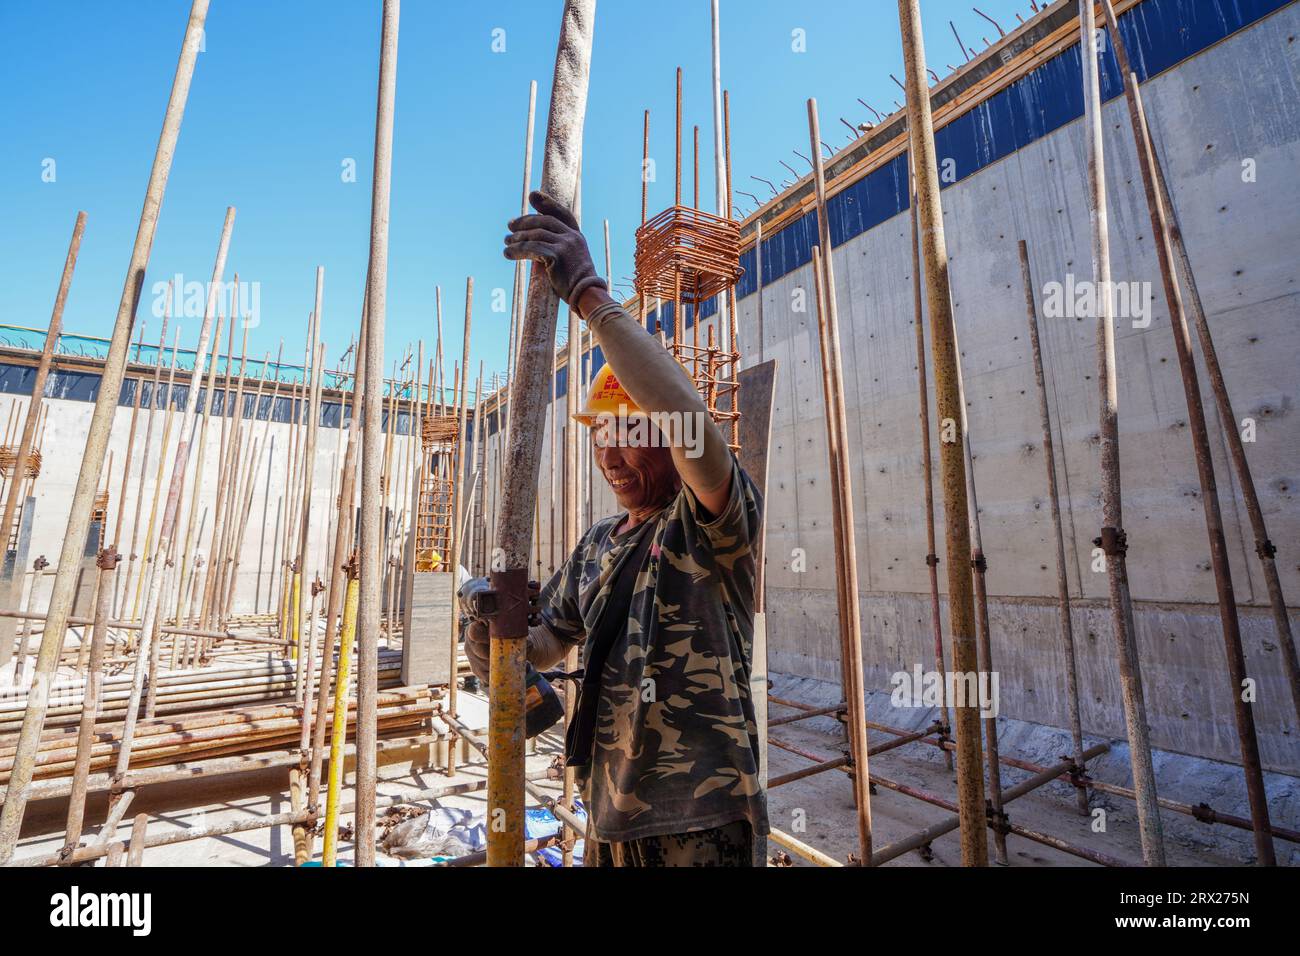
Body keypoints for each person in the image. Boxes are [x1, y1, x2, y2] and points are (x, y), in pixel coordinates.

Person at [462, 191, 767, 867]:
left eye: (630, 432)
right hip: (606, 815)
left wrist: (592, 298)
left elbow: (694, 426)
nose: (610, 452)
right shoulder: (599, 542)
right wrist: (492, 637)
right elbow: (546, 643)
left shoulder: (709, 525)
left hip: (699, 823)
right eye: (601, 435)